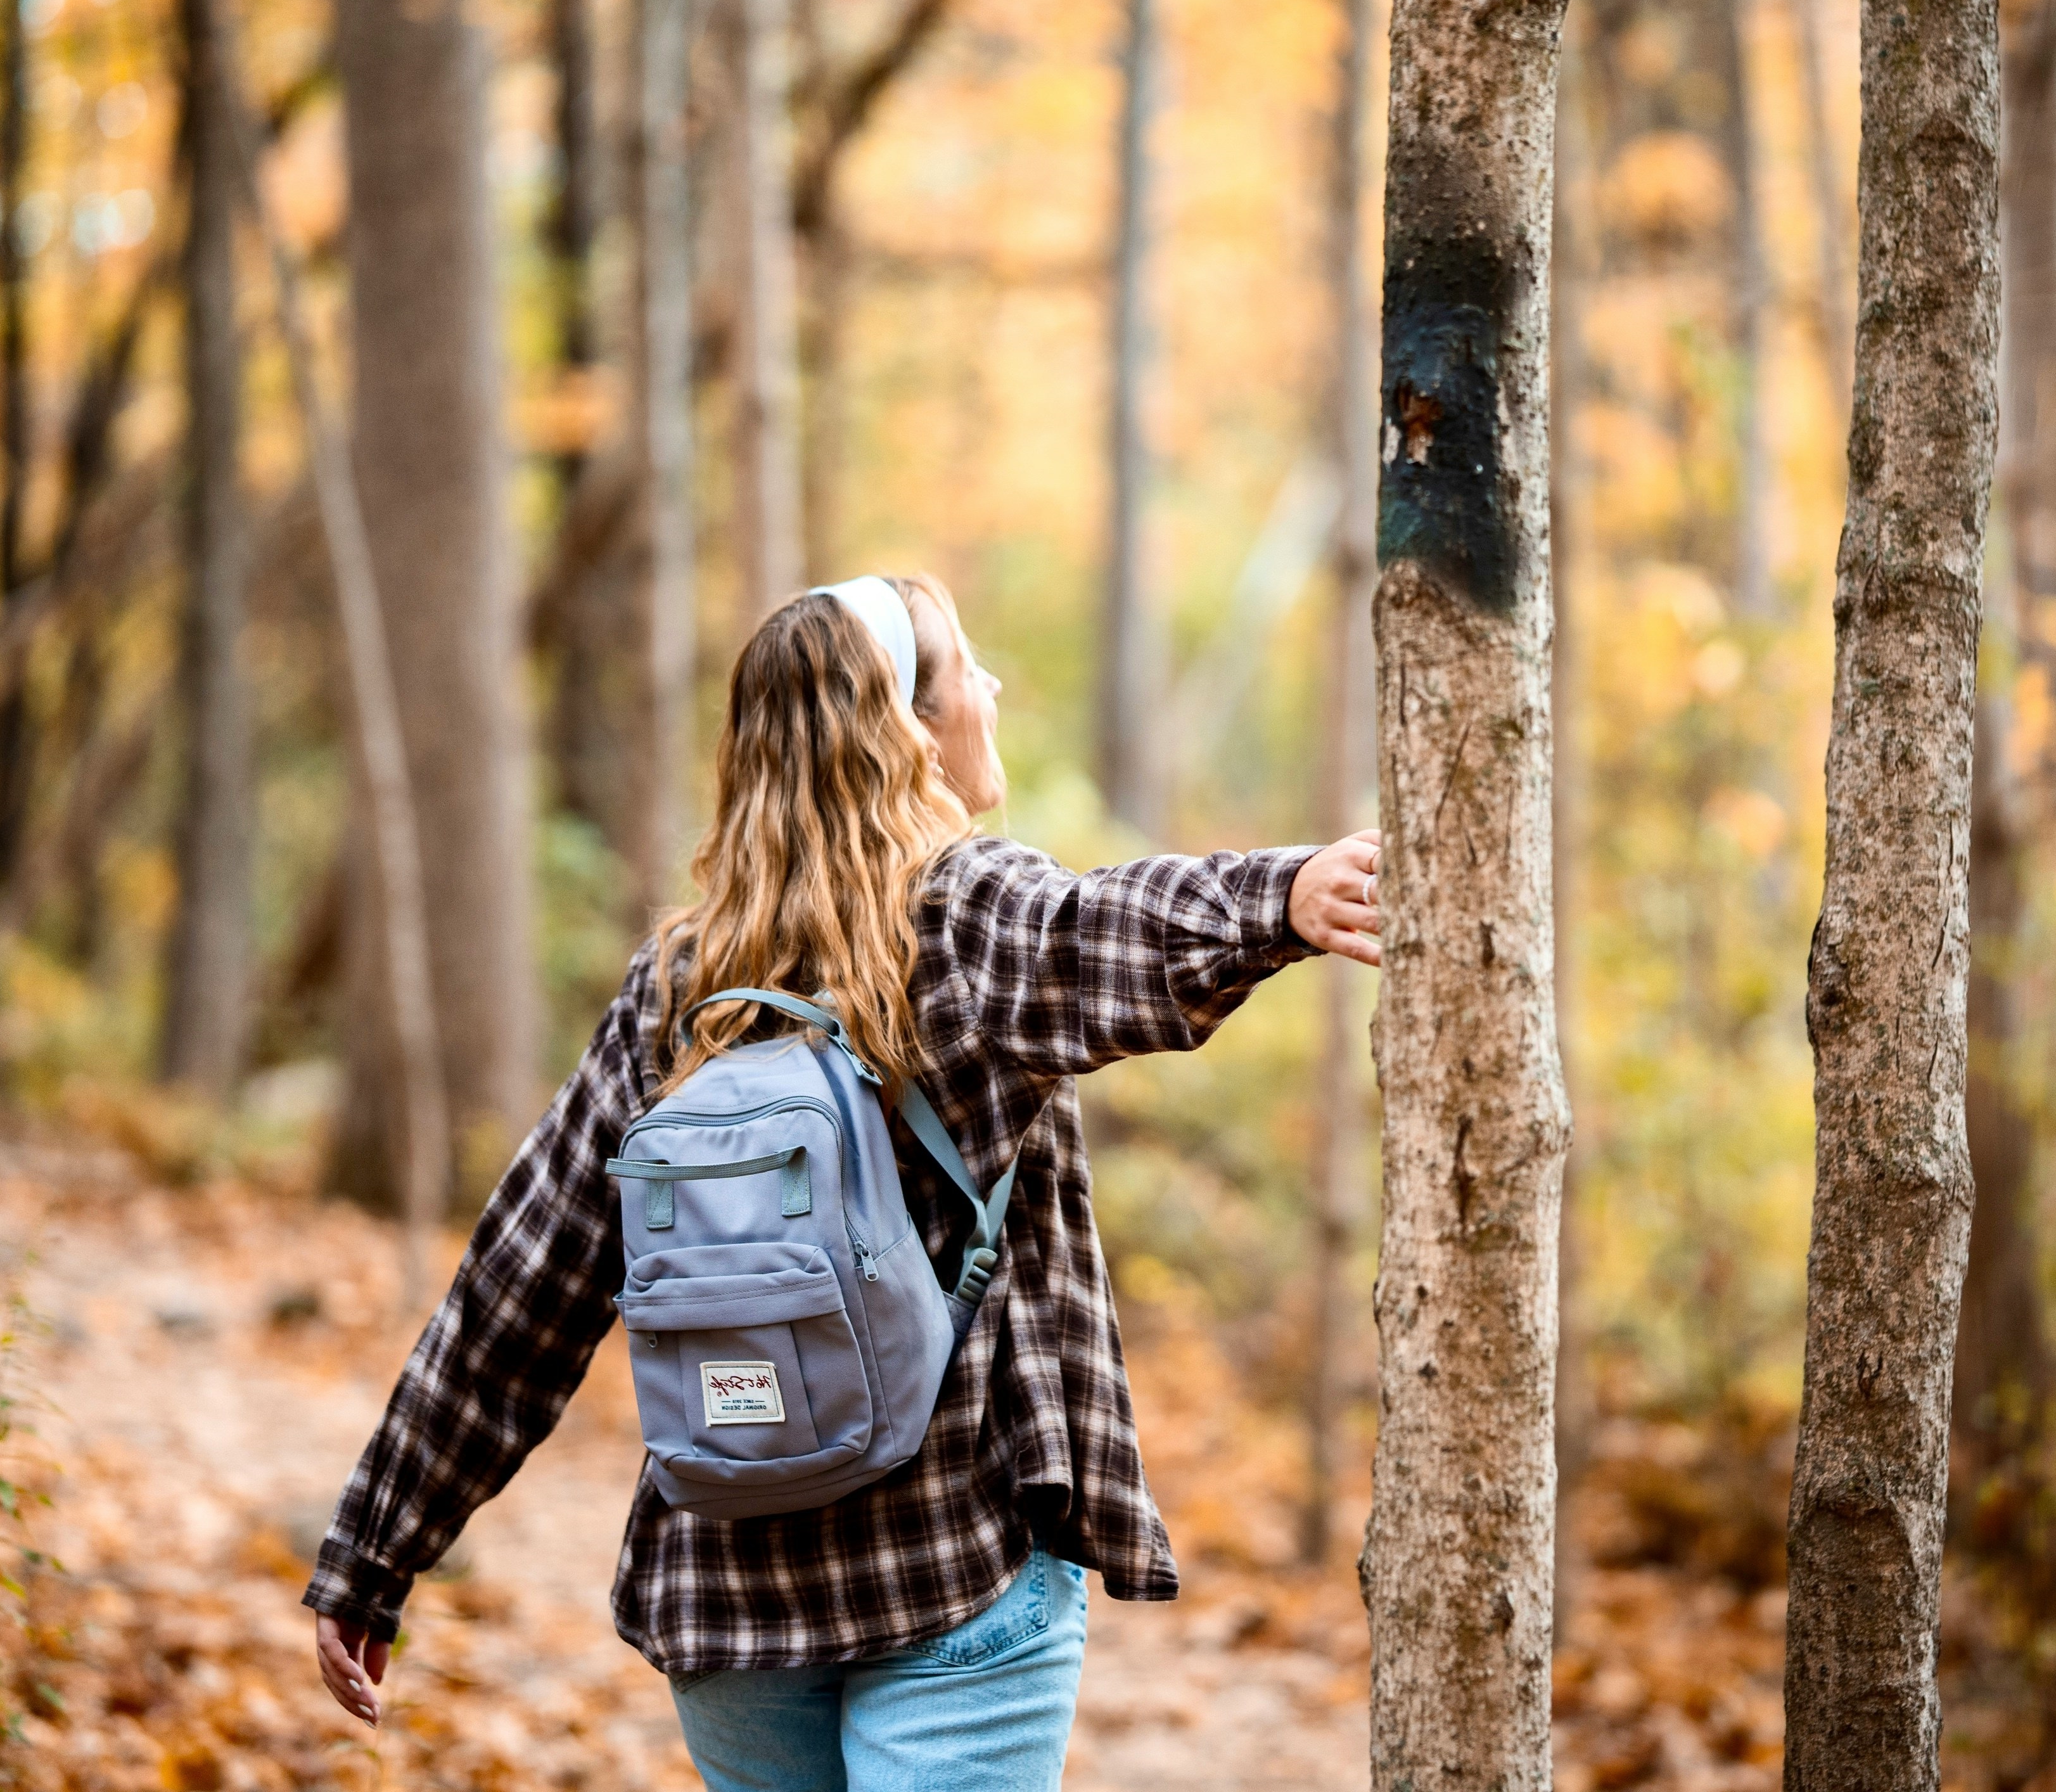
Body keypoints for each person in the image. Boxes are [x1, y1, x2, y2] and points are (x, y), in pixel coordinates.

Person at [302, 573, 1381, 1792]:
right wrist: (1277, 900)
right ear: (912, 729)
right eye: (967, 667)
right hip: (949, 1570)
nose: (991, 692)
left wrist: (374, 1552)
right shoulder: (964, 917)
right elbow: (1095, 931)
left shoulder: (677, 991)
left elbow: (519, 1289)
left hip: (728, 1596)